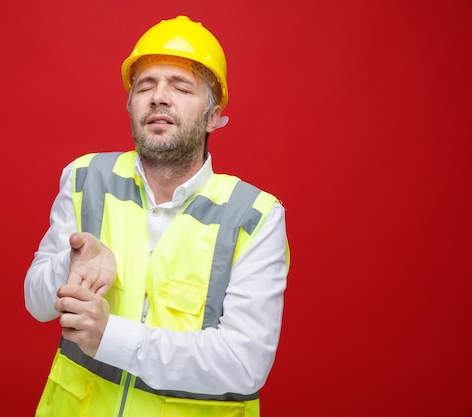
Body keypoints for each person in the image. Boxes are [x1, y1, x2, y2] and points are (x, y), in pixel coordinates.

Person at [24, 15, 289, 417]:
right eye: (145, 85)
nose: (158, 97)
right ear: (130, 105)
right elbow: (36, 303)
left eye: (180, 87)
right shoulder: (84, 178)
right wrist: (70, 265)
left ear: (213, 117)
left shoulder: (255, 217)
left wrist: (109, 336)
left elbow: (243, 363)